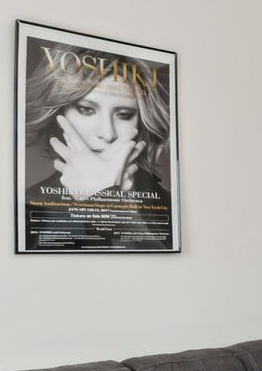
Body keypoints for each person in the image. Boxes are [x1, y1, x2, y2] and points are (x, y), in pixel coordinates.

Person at [23, 40, 173, 249]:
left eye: (124, 114)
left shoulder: (167, 205)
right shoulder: (30, 207)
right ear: (58, 113)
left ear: (140, 121)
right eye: (86, 109)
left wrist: (108, 201)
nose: (108, 133)